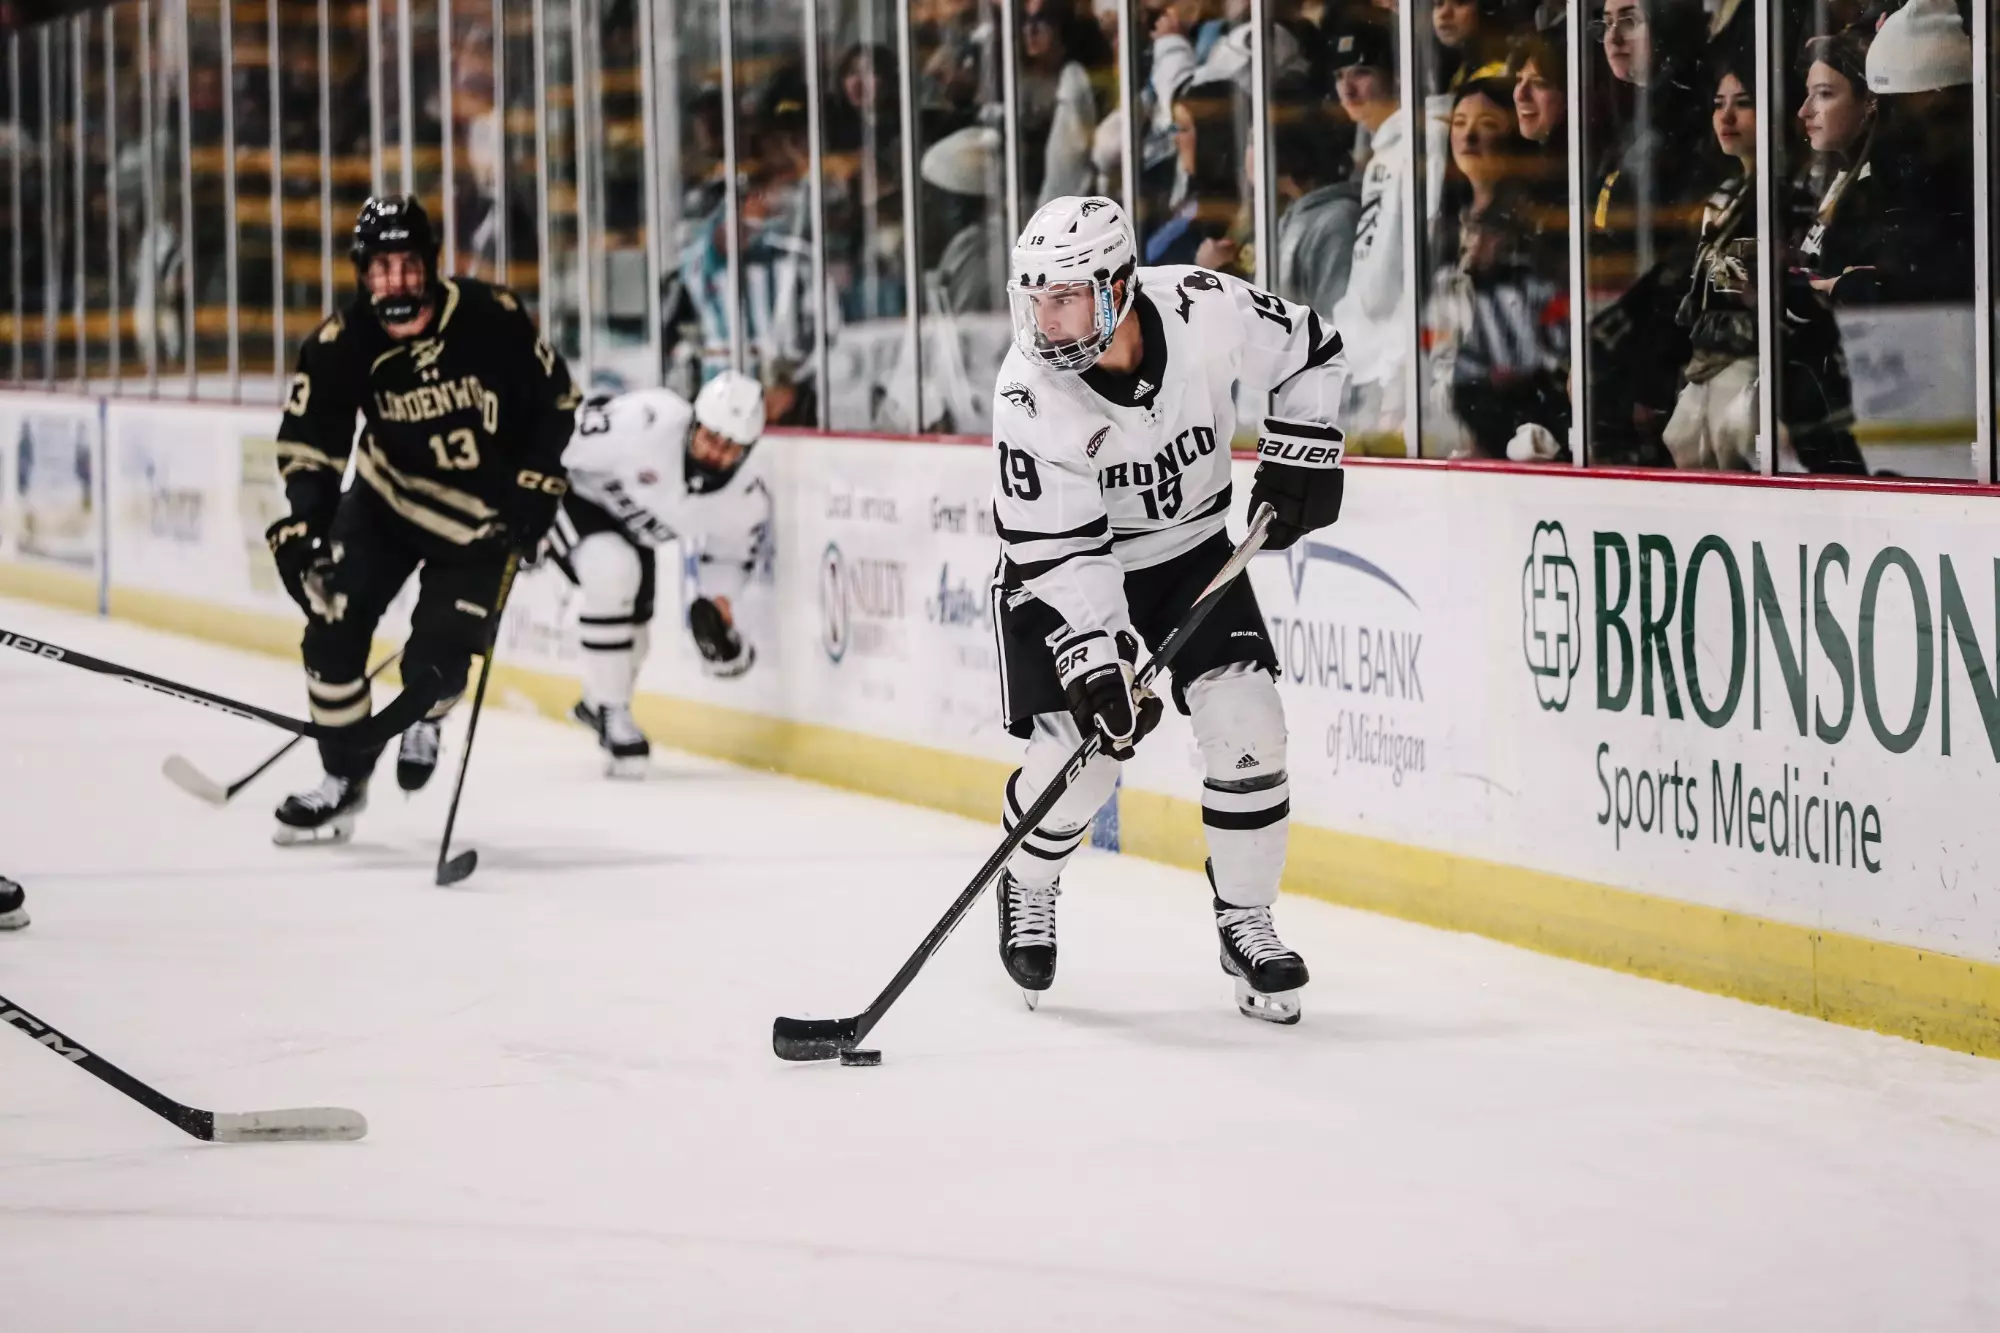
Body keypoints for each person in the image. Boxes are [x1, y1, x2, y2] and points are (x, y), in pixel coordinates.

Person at [989, 195, 1348, 1025]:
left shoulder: (1202, 306)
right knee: (1088, 757)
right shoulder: (1029, 392)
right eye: (1036, 295)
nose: (1047, 317)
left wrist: (1304, 450)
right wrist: (1101, 657)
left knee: (1250, 721)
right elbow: (1063, 555)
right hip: (1068, 571)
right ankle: (1029, 878)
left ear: (1118, 285)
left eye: (1067, 295)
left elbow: (1311, 347)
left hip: (1190, 552)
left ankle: (1246, 922)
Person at [266, 195, 578, 845]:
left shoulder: (492, 318)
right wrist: (305, 526)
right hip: (385, 505)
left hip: (480, 526)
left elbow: (555, 401)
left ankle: (425, 717)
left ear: (432, 264)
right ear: (361, 274)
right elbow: (311, 446)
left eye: (408, 265)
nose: (396, 282)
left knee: (434, 669)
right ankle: (344, 778)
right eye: (380, 269)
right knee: (330, 629)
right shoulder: (339, 344)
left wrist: (537, 483)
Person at [548, 375, 773, 775]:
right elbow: (555, 440)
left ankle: (597, 702)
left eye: (730, 447)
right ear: (694, 421)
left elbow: (728, 558)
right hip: (574, 499)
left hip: (634, 532)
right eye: (711, 436)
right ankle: (615, 715)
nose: (715, 453)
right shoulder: (647, 420)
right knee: (613, 569)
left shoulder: (744, 498)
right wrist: (522, 514)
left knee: (635, 640)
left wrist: (718, 606)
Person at [1327, 16, 1409, 444]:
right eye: (1341, 75)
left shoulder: (1417, 146)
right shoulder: (1382, 155)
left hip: (1397, 369)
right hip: (1368, 365)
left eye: (1361, 72)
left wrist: (1397, 367)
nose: (1348, 88)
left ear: (1396, 74)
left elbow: (1413, 271)